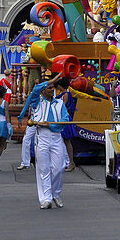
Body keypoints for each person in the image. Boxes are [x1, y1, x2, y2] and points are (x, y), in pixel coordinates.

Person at [29, 78, 70, 210]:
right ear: (43, 90)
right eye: (49, 88)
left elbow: (65, 120)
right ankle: (46, 198)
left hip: (56, 136)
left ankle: (55, 194)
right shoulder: (37, 102)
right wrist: (52, 79)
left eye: (53, 87)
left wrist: (51, 124)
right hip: (42, 137)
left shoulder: (59, 103)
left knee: (59, 167)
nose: (52, 90)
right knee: (44, 169)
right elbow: (34, 91)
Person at [16, 74, 53, 170]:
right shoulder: (34, 94)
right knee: (26, 139)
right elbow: (27, 104)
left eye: (37, 84)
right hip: (33, 121)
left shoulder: (49, 96)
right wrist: (20, 117)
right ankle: (25, 162)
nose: (35, 85)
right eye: (35, 83)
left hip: (45, 122)